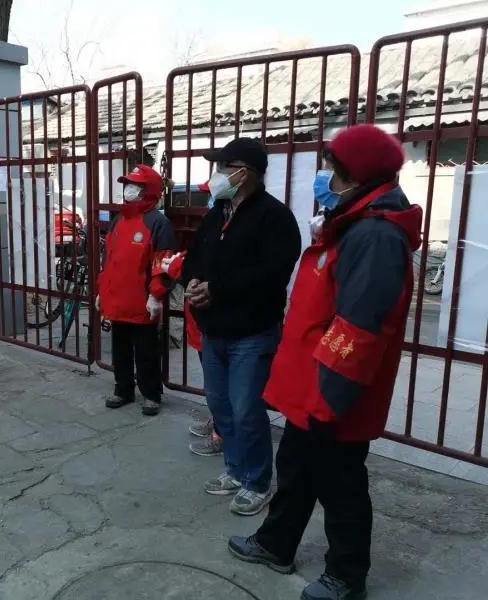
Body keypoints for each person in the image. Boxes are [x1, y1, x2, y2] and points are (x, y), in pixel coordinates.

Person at [228, 125, 422, 600]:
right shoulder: (353, 222)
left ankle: (347, 576)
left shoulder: (376, 236)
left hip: (336, 390)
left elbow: (359, 327)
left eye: (330, 169)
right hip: (313, 385)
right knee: (296, 467)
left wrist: (330, 398)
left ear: (355, 176)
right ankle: (276, 543)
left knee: (342, 484)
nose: (323, 177)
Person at [180, 138, 301, 516]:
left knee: (247, 408)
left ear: (243, 173)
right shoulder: (218, 211)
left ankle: (258, 480)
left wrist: (218, 290)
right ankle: (235, 468)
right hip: (213, 329)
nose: (216, 174)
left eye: (222, 167)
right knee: (220, 404)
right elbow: (195, 256)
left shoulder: (275, 217)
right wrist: (191, 281)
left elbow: (271, 273)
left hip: (251, 331)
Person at [96, 164, 176, 416]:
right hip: (118, 298)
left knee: (146, 351)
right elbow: (109, 261)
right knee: (119, 349)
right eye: (128, 184)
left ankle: (151, 394)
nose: (129, 189)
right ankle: (123, 389)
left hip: (142, 301)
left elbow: (163, 263)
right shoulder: (119, 220)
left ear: (148, 190)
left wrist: (156, 295)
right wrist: (102, 291)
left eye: (136, 185)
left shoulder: (158, 222)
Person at [162, 181, 221, 455]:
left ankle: (222, 432)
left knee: (222, 385)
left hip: (218, 321)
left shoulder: (229, 226)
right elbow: (196, 260)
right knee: (214, 382)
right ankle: (218, 421)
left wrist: (179, 266)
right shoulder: (213, 222)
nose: (206, 200)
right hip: (201, 320)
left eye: (209, 195)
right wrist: (184, 267)